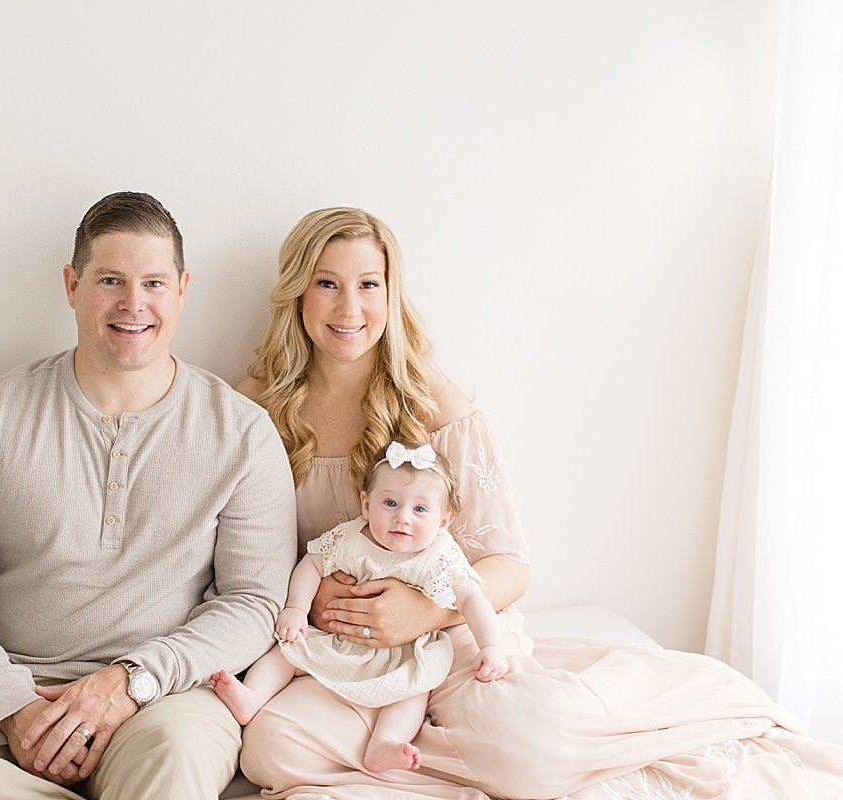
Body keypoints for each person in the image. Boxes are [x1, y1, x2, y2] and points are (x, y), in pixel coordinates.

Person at [236, 206, 843, 799]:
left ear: (391, 294)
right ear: (297, 293)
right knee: (272, 749)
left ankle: (465, 749)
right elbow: (241, 556)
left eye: (369, 284)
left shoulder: (434, 406)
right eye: (327, 284)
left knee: (536, 752)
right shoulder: (255, 407)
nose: (350, 308)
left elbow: (510, 565)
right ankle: (420, 758)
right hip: (339, 648)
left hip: (445, 642)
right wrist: (309, 606)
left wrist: (423, 612)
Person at [0, 191, 297, 800]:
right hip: (5, 688)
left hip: (161, 700)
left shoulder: (243, 433)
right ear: (72, 284)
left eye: (153, 282)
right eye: (110, 280)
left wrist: (129, 682)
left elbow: (253, 601)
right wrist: (13, 709)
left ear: (182, 289)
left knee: (177, 764)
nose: (133, 304)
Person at [211, 439, 508, 774]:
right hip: (338, 638)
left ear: (443, 521)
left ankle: (385, 743)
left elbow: (471, 598)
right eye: (390, 503)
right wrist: (296, 608)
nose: (402, 518)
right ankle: (251, 697)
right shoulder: (351, 538)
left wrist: (492, 646)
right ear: (366, 504)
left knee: (414, 690)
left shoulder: (438, 556)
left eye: (420, 509)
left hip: (402, 651)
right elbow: (312, 564)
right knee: (286, 651)